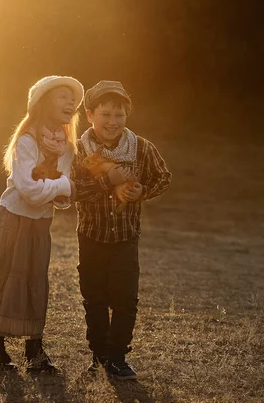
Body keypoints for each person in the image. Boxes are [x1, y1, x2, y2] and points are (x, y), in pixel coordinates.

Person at [0, 75, 84, 373]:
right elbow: (29, 192)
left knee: (34, 280)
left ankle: (34, 349)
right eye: (63, 97)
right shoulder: (26, 141)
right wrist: (63, 186)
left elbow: (61, 197)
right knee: (8, 277)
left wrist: (60, 189)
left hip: (40, 224)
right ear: (42, 102)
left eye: (73, 99)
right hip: (13, 219)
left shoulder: (66, 147)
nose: (71, 103)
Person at [71, 80, 172, 380]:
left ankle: (117, 356)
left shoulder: (140, 147)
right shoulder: (78, 150)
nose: (112, 122)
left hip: (126, 237)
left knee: (126, 299)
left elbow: (163, 177)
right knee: (95, 298)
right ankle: (99, 353)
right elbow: (73, 190)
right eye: (105, 114)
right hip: (90, 236)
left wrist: (141, 192)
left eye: (119, 115)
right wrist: (107, 181)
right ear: (90, 115)